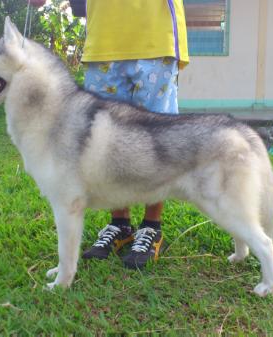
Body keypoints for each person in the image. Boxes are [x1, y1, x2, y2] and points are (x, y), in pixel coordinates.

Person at [69, 0, 189, 269]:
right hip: (103, 39)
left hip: (154, 35)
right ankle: (120, 224)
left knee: (156, 141)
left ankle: (151, 227)